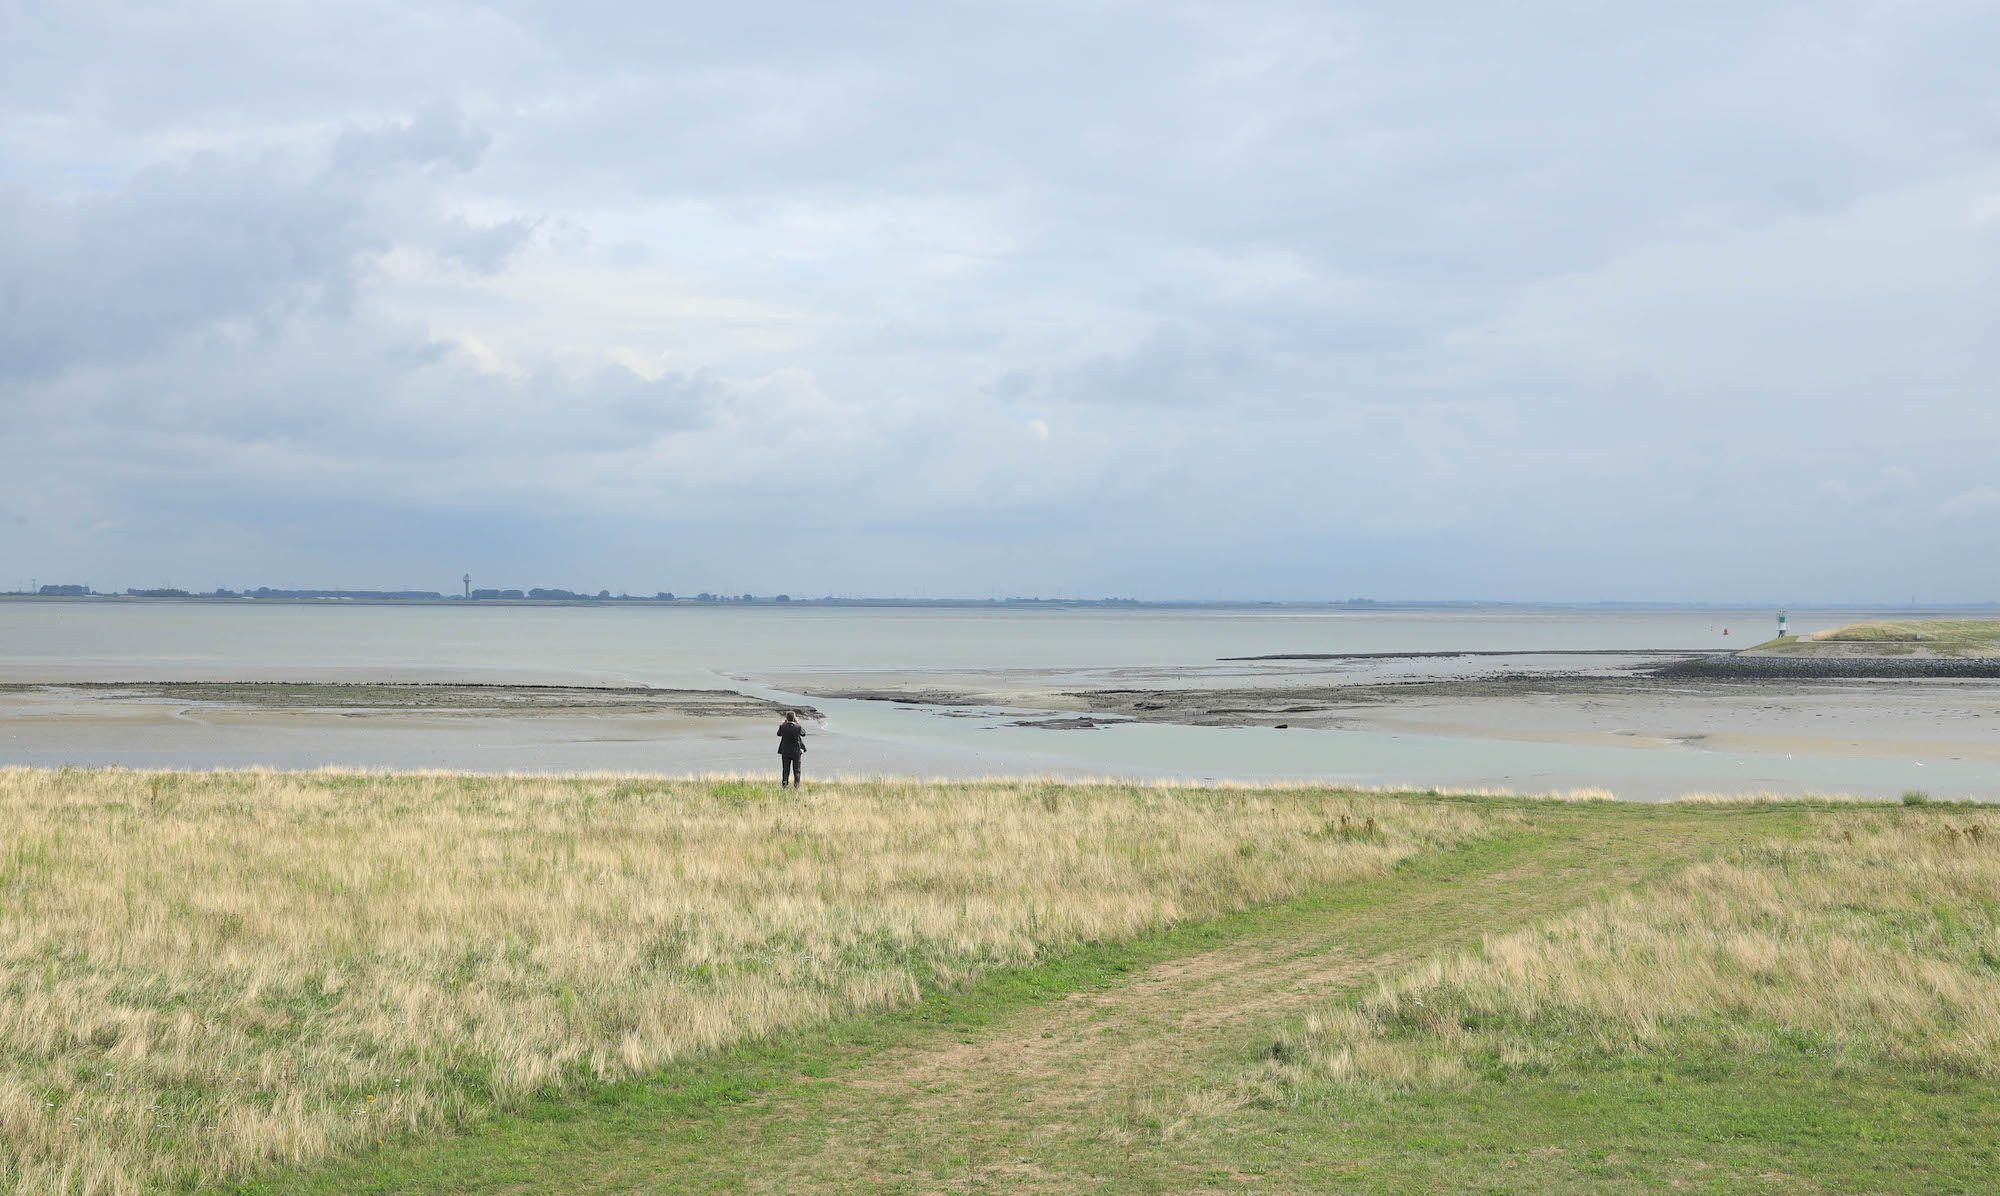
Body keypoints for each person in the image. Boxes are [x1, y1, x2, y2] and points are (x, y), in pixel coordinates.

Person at [776, 710, 806, 787]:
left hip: (785, 751)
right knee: (797, 770)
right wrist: (797, 723)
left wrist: (784, 723)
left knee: (785, 770)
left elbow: (778, 734)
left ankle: (784, 785)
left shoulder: (783, 727)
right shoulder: (798, 727)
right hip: (796, 752)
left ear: (786, 718)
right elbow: (803, 733)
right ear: (794, 718)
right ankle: (796, 786)